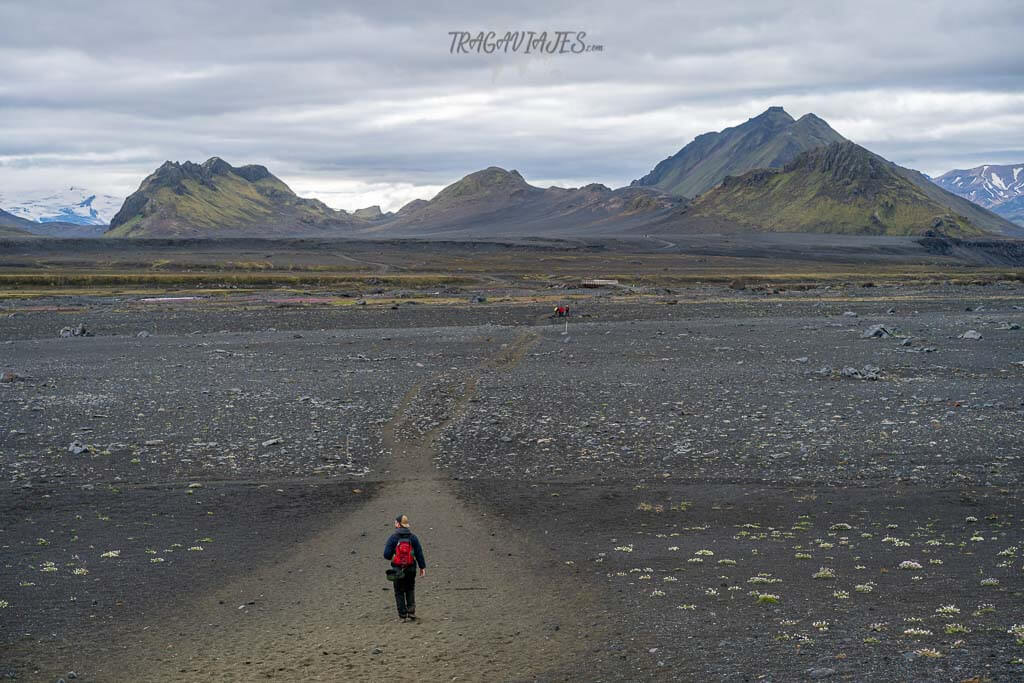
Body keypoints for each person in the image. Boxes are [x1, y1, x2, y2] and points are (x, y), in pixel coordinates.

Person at [383, 514, 426, 621]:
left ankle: (402, 615)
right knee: (410, 589)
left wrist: (395, 556)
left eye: (395, 522)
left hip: (398, 569)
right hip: (411, 568)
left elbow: (386, 555)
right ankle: (411, 612)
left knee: (399, 591)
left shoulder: (393, 538)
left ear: (398, 524)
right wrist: (422, 567)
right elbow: (419, 553)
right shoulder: (413, 537)